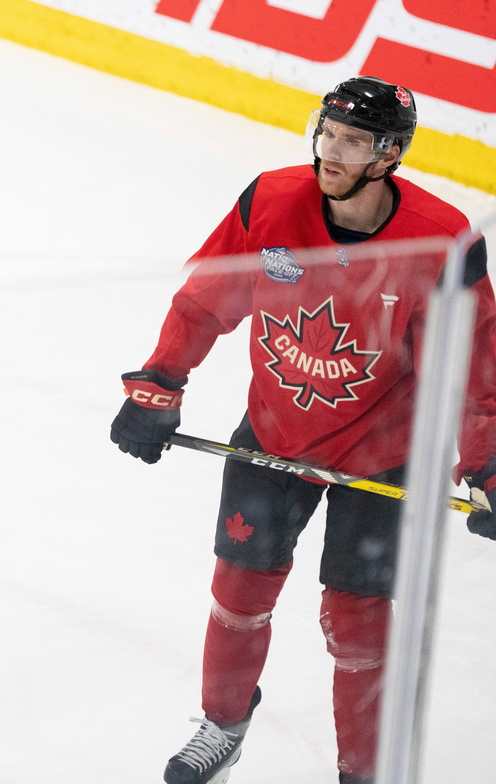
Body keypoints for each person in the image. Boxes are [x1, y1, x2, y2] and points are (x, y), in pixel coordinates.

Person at [110, 76, 496, 784]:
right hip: (274, 433)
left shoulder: (440, 243)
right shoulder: (271, 200)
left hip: (384, 456)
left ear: (389, 156)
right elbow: (205, 299)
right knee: (238, 591)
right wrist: (159, 383)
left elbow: (476, 370)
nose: (330, 153)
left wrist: (489, 465)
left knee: (357, 622)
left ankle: (362, 772)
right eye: (327, 133)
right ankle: (224, 723)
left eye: (352, 142)